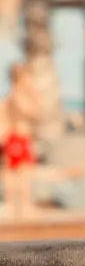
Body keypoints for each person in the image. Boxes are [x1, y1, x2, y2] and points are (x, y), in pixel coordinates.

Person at [2, 62, 39, 220]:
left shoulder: (11, 96)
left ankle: (18, 206)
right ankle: (18, 206)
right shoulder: (16, 95)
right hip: (17, 138)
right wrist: (34, 93)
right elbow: (32, 112)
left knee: (19, 173)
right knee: (19, 174)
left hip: (19, 138)